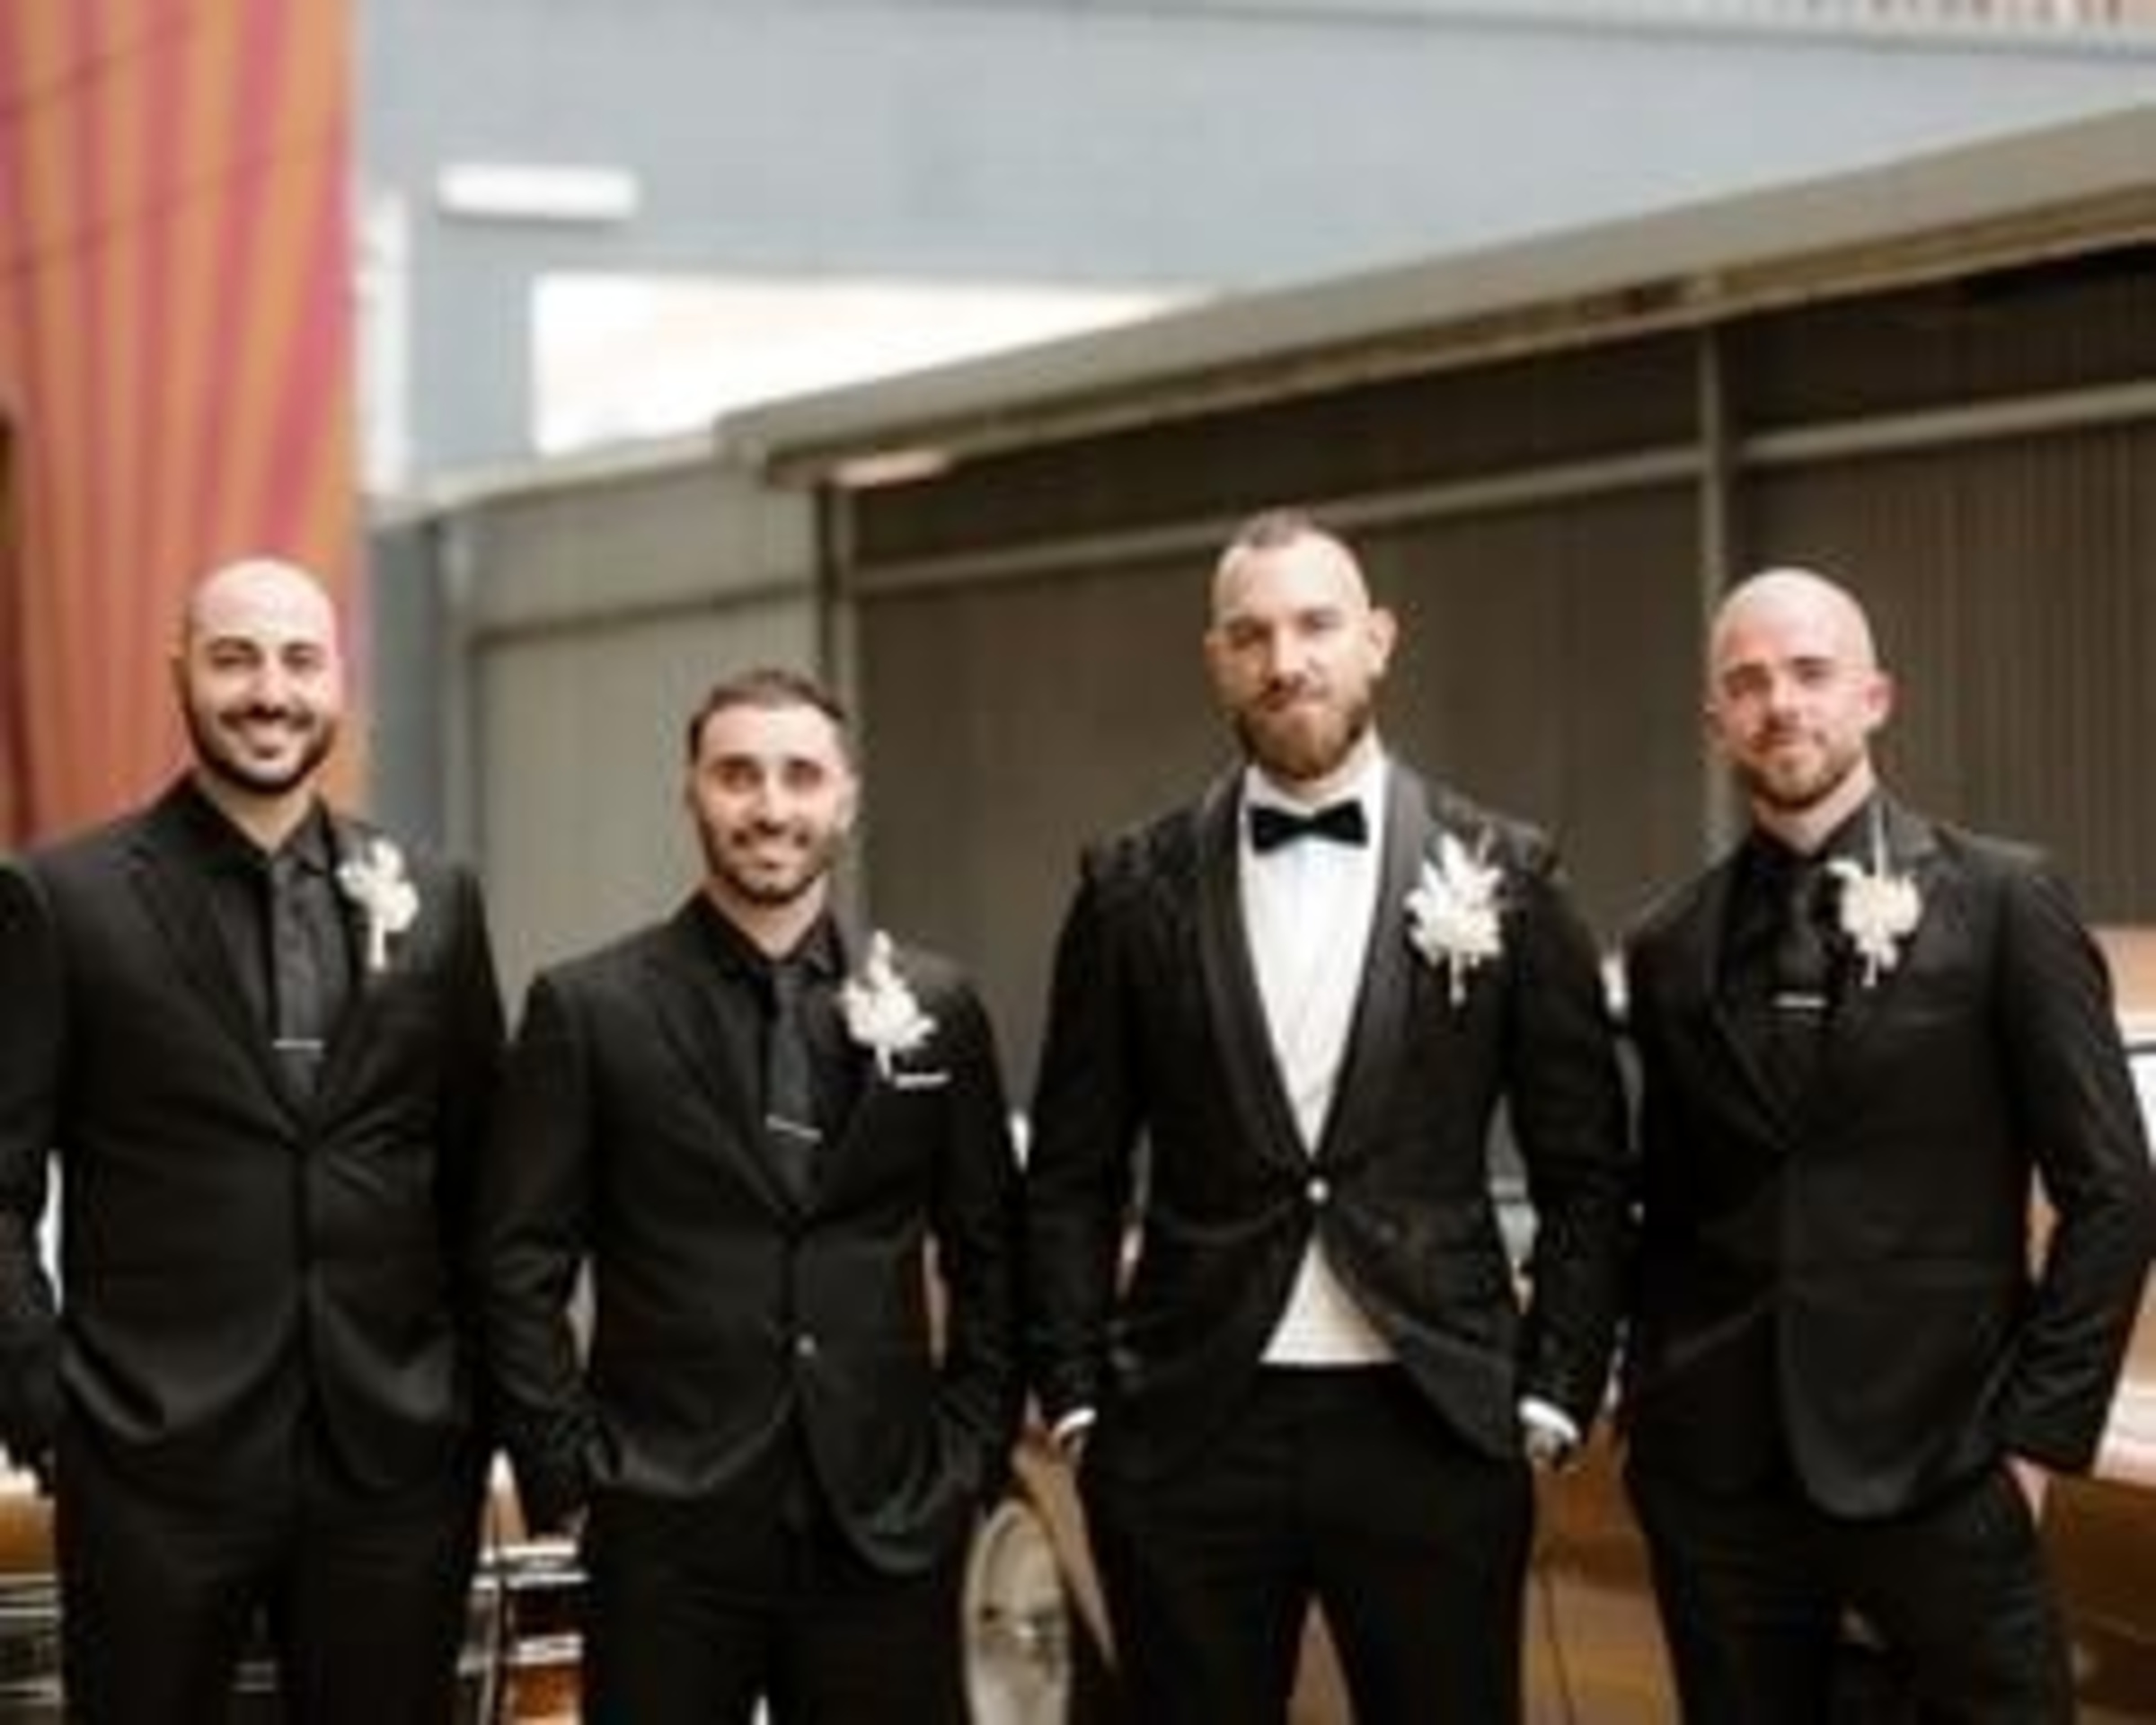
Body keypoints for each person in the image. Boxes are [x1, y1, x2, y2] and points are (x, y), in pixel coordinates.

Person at [1023, 509, 1633, 1722]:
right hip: (1191, 1426)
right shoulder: (1128, 887)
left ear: (1379, 641)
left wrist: (1554, 1390)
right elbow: (1074, 1173)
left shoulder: (1508, 872)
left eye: (1315, 625)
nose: (1285, 660)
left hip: (1435, 1424)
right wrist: (1082, 1399)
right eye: (1250, 635)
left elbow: (1587, 1169)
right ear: (1216, 660)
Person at [1620, 565, 2156, 1722]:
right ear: (1717, 721)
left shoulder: (2007, 900)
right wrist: (1655, 1417)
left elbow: (2115, 1190)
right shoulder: (1670, 945)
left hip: (1947, 1474)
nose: (1781, 704)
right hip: (1725, 1495)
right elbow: (1666, 1211)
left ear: (1875, 697)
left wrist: (2032, 1446)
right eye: (1748, 683)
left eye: (1811, 673)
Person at [0, 556, 505, 1722]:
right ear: (181, 673)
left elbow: (486, 1182)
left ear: (341, 681)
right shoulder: (63, 899)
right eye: (234, 659)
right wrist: (50, 1409)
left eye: (297, 660)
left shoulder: (436, 896)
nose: (267, 691)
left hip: (392, 1464)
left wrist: (470, 1404)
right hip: (148, 1466)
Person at [476, 666, 1022, 1725]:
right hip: (661, 1531)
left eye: (800, 776)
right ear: (691, 792)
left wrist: (966, 1460)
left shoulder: (938, 1008)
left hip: (887, 1524)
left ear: (845, 797)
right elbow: (515, 1264)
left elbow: (991, 1251)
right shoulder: (589, 1010)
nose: (770, 807)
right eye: (737, 775)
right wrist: (574, 1479)